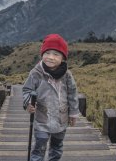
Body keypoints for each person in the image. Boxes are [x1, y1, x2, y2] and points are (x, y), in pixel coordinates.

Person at [22, 33, 80, 161]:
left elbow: (72, 94)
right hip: (42, 119)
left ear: (63, 58)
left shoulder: (67, 75)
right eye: (47, 53)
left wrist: (73, 113)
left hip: (61, 119)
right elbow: (27, 89)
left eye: (56, 54)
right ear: (42, 54)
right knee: (39, 149)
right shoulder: (36, 73)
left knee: (57, 147)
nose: (50, 57)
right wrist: (28, 103)